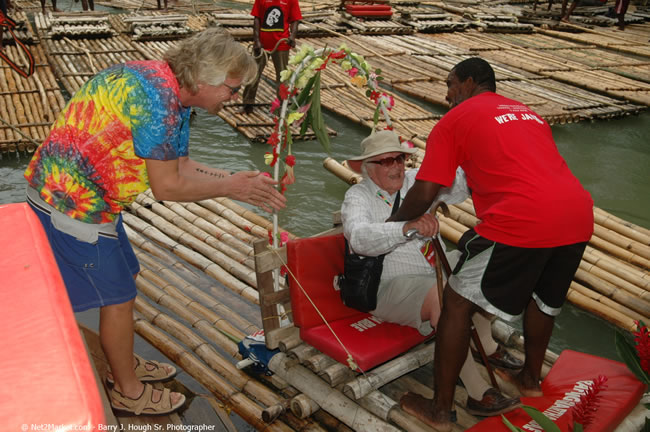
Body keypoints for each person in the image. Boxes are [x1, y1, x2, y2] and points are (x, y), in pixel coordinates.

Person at [24, 28, 286, 416]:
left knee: (126, 276)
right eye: (231, 89)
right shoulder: (160, 103)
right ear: (202, 79)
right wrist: (229, 188)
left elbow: (179, 165)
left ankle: (122, 362)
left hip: (91, 198)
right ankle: (127, 392)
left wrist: (233, 179)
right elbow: (166, 186)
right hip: (72, 203)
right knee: (118, 299)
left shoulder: (167, 86)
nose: (233, 98)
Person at [388, 58, 594, 431]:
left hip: (522, 220)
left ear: (469, 82)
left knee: (455, 303)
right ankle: (530, 381)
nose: (447, 93)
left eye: (450, 84)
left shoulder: (454, 120)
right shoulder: (526, 113)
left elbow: (425, 190)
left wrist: (392, 225)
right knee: (544, 301)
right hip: (577, 215)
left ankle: (440, 409)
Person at [341, 130, 522, 420]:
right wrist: (407, 227)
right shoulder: (357, 196)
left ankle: (486, 346)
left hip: (428, 274)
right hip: (386, 288)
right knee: (446, 300)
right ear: (368, 168)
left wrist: (478, 155)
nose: (397, 166)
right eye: (386, 161)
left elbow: (460, 185)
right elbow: (360, 238)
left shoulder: (415, 182)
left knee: (479, 264)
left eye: (399, 158)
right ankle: (477, 394)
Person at [240, 0, 302, 115]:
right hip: (262, 45)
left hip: (281, 44)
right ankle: (247, 104)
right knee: (254, 74)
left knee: (282, 77)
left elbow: (295, 20)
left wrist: (293, 36)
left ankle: (282, 107)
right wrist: (256, 40)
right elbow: (257, 19)